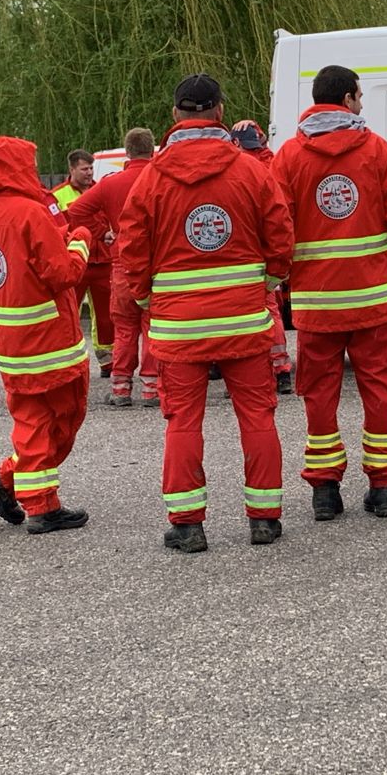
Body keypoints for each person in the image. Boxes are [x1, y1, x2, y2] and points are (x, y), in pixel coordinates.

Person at [118, 74, 294, 553]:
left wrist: (147, 299)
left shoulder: (152, 178)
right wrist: (267, 283)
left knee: (182, 423)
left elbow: (132, 249)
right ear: (220, 111)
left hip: (179, 327)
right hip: (244, 321)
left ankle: (188, 526)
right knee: (257, 417)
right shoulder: (251, 171)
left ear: (175, 115)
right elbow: (281, 237)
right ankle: (264, 519)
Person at [273, 66, 387, 521]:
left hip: (317, 303)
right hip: (371, 297)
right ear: (349, 99)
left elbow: (276, 228)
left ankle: (325, 491)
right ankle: (384, 488)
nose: (362, 104)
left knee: (319, 394)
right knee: (379, 391)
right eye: (360, 96)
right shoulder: (377, 150)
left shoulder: (289, 155)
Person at [0, 135, 93, 535]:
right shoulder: (31, 213)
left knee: (33, 421)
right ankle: (37, 502)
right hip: (50, 342)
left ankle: (12, 483)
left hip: (11, 344)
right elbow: (63, 274)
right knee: (61, 421)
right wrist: (80, 243)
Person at [67, 128, 161, 408]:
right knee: (153, 325)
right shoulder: (162, 178)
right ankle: (151, 389)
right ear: (152, 150)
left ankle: (121, 388)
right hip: (157, 262)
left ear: (127, 152)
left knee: (125, 327)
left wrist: (103, 233)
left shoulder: (111, 183)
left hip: (123, 263)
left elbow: (77, 210)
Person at [232, 119, 294, 394]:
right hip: (267, 255)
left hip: (242, 254)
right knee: (271, 311)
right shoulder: (272, 165)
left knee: (241, 314)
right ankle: (281, 369)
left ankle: (242, 370)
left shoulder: (237, 169)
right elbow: (281, 219)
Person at [53, 150, 115, 374]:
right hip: (74, 262)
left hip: (103, 262)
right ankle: (66, 359)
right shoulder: (58, 195)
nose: (89, 173)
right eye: (84, 169)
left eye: (91, 168)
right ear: (72, 169)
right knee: (68, 312)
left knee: (106, 316)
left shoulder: (102, 190)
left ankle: (108, 361)